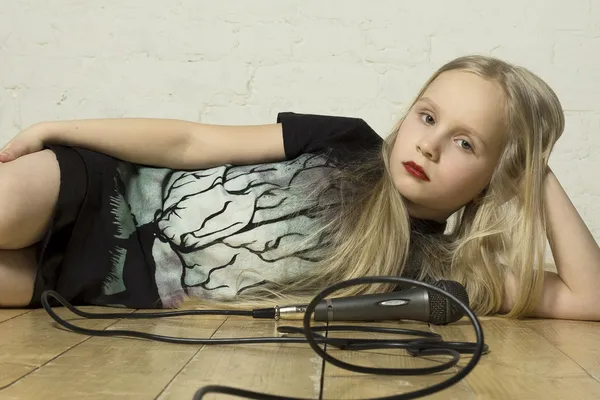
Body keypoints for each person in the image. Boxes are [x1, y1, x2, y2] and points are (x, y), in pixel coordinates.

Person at [0, 55, 598, 321]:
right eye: (427, 116)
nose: (430, 144)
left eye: (467, 143)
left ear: (500, 176)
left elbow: (589, 297)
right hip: (102, 189)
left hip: (104, 287)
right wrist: (55, 128)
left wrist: (536, 168)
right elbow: (188, 143)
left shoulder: (434, 268)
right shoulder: (348, 142)